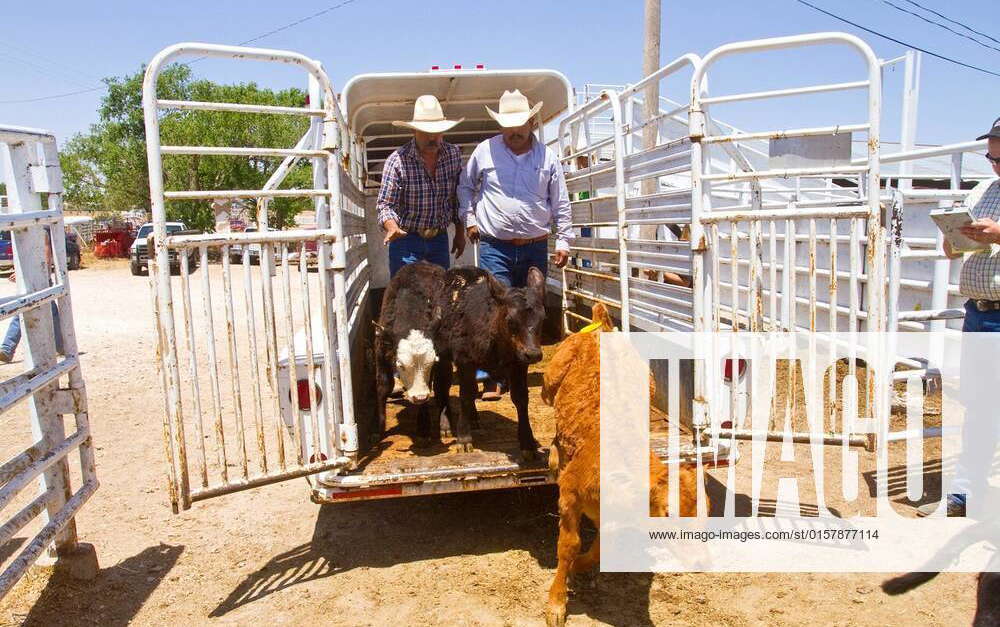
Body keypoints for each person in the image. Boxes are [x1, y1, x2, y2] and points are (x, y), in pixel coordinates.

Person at [458, 90, 571, 399]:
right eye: (509, 125)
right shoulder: (484, 151)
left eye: (520, 124)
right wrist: (469, 219)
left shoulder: (547, 157)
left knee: (531, 310)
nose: (514, 131)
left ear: (532, 122)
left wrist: (563, 239)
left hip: (536, 244)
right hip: (497, 245)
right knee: (498, 312)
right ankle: (494, 376)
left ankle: (519, 371)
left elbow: (560, 202)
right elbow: (466, 188)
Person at [917, 117, 1000, 518]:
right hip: (980, 315)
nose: (995, 165)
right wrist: (955, 238)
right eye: (992, 157)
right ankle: (967, 493)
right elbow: (956, 249)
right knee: (981, 405)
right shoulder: (983, 190)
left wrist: (998, 234)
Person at [376, 95, 466, 276]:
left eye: (437, 132)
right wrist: (392, 227)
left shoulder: (453, 155)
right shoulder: (397, 161)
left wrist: (459, 232)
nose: (432, 137)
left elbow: (457, 198)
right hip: (406, 240)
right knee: (407, 297)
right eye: (426, 132)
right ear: (414, 131)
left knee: (440, 295)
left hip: (439, 238)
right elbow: (385, 205)